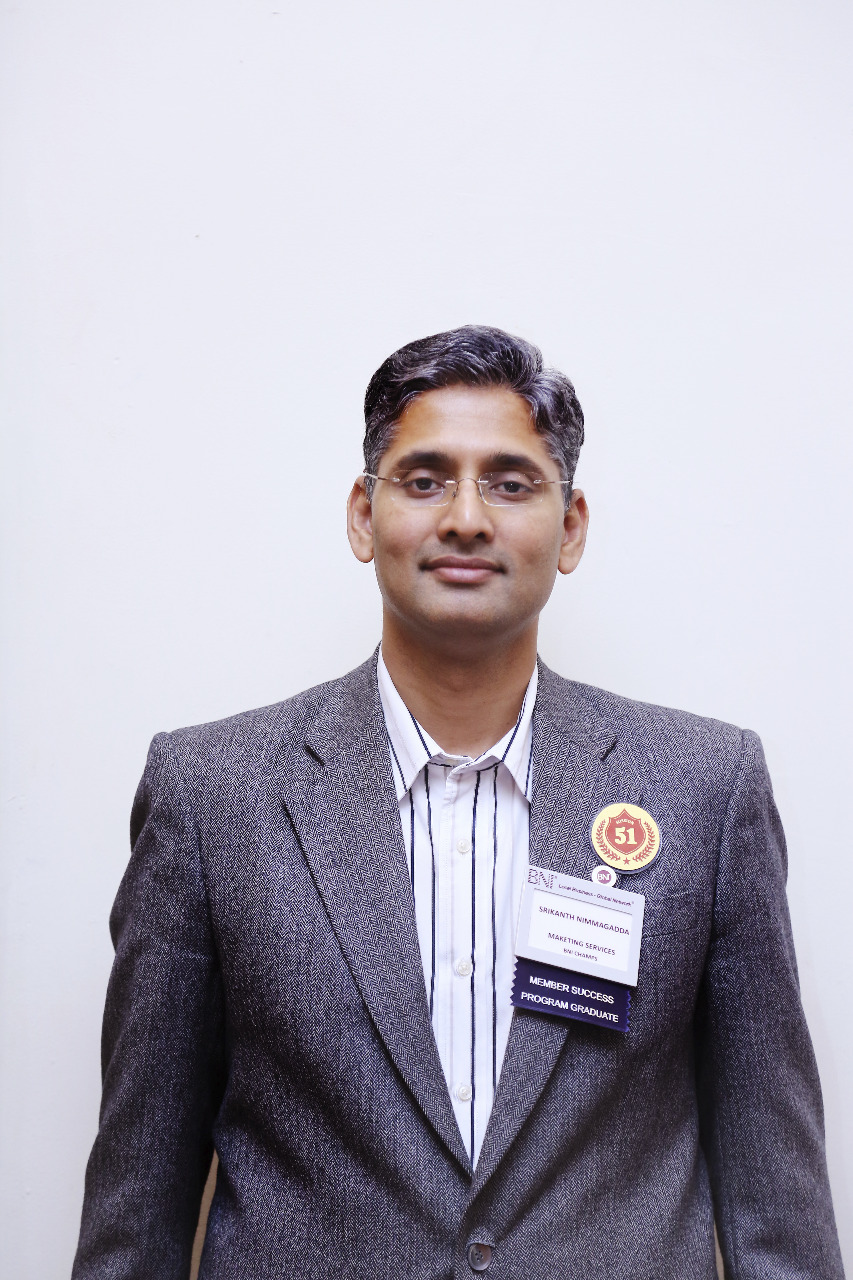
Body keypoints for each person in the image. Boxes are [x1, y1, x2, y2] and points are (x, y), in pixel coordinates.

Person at [72, 326, 844, 1280]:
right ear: (364, 516)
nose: (467, 518)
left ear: (570, 527)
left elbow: (775, 1208)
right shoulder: (212, 795)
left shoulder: (703, 788)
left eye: (511, 484)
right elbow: (138, 1201)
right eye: (425, 479)